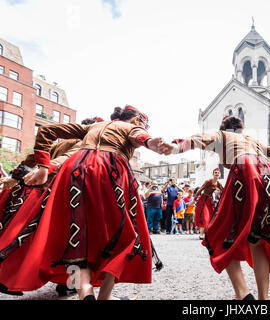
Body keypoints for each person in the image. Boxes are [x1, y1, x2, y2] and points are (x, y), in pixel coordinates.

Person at [0, 105, 164, 300]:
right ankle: (97, 294)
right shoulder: (92, 142)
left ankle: (72, 287)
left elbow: (31, 157)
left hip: (56, 188)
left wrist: (15, 177)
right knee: (104, 240)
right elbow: (66, 159)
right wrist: (46, 169)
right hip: (66, 187)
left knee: (66, 241)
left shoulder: (71, 140)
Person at [160, 115, 270, 300]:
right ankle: (263, 299)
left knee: (220, 235)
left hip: (246, 170)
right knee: (257, 239)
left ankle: (242, 294)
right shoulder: (251, 140)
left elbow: (198, 140)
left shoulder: (221, 135)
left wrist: (176, 146)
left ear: (224, 127)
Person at [194, 169, 224, 240]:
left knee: (211, 217)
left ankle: (208, 234)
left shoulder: (218, 183)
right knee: (204, 216)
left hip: (210, 201)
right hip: (203, 200)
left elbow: (224, 191)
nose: (217, 174)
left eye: (218, 173)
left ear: (220, 175)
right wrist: (194, 200)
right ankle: (201, 235)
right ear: (213, 174)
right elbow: (200, 189)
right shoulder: (208, 181)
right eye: (215, 173)